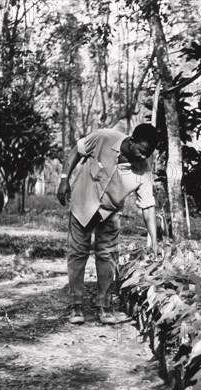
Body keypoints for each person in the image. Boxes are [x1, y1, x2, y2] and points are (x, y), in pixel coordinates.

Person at [57, 123, 160, 325]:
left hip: (110, 213)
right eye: (141, 151)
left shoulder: (143, 171)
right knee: (77, 253)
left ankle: (103, 305)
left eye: (147, 154)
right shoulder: (104, 137)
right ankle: (75, 305)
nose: (142, 157)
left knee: (107, 256)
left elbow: (148, 206)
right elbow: (75, 152)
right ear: (131, 141)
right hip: (82, 203)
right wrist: (63, 179)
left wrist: (154, 240)